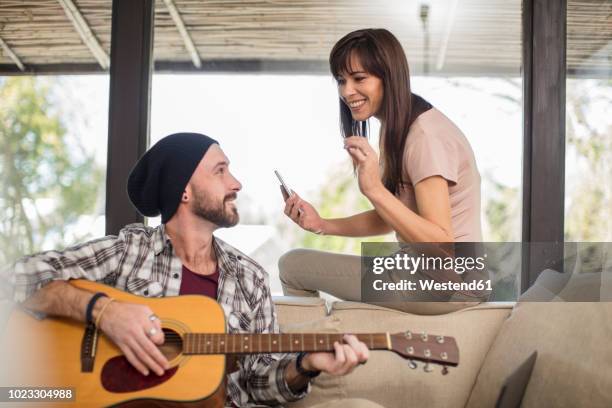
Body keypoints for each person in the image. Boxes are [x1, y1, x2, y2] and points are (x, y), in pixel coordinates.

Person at [1, 132, 370, 408]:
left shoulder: (250, 278)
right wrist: (106, 311)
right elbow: (16, 278)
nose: (236, 183)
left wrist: (306, 364)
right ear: (184, 192)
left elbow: (260, 382)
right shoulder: (129, 250)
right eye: (220, 171)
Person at [279, 29, 486, 310]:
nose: (347, 91)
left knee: (293, 265)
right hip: (431, 278)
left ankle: (306, 356)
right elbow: (394, 217)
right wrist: (323, 225)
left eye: (359, 78)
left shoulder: (425, 137)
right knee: (296, 264)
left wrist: (374, 188)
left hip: (447, 286)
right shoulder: (397, 129)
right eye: (341, 80)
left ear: (389, 77)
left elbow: (441, 244)